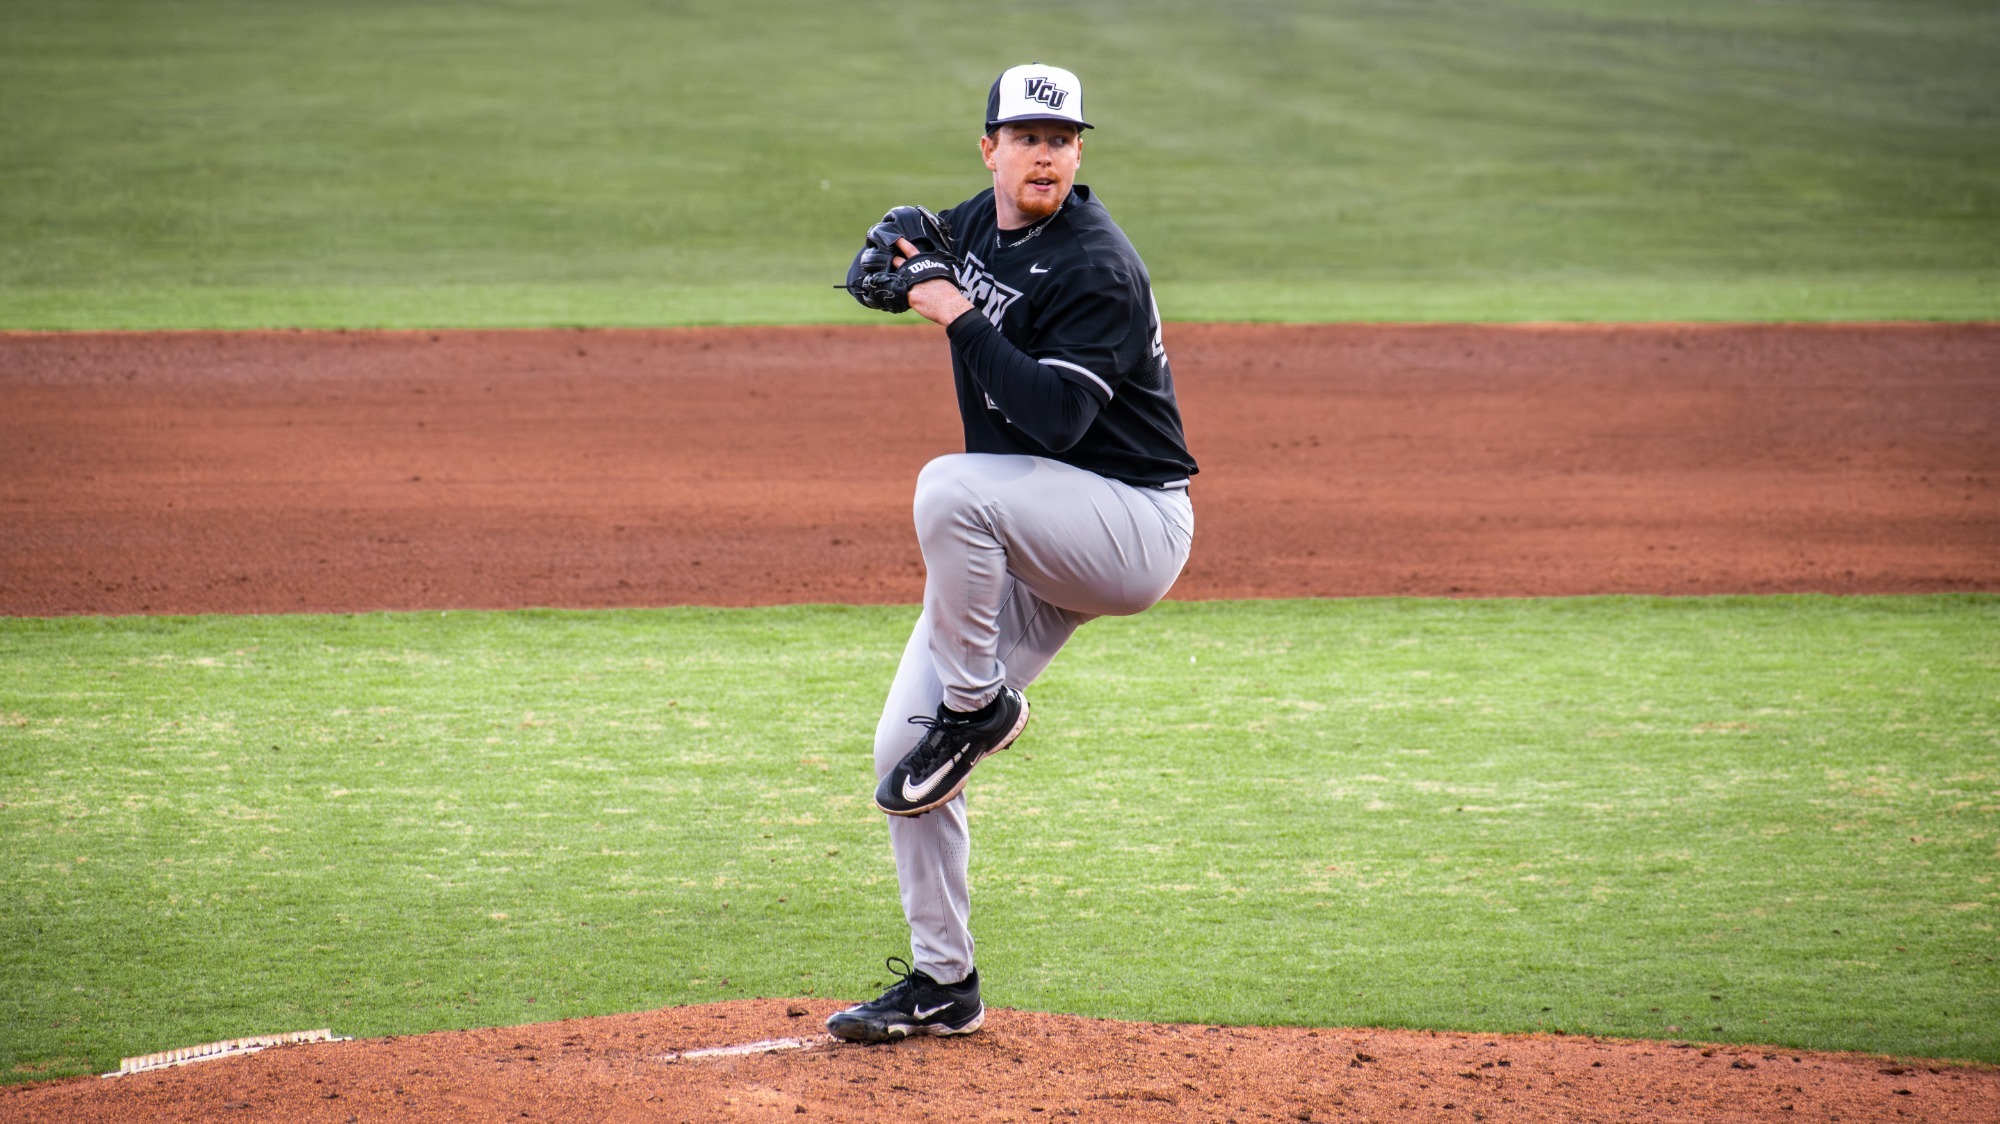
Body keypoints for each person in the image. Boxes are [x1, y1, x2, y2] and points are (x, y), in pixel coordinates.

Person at [827, 63, 1198, 1044]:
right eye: (1026, 135)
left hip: (1127, 527)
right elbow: (911, 254)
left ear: (1078, 152)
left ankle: (975, 706)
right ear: (988, 147)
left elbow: (1050, 413)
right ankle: (943, 982)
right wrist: (891, 268)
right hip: (1030, 521)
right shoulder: (985, 221)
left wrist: (947, 307)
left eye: (1062, 137)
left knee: (948, 484)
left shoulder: (1095, 267)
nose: (1044, 153)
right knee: (902, 757)